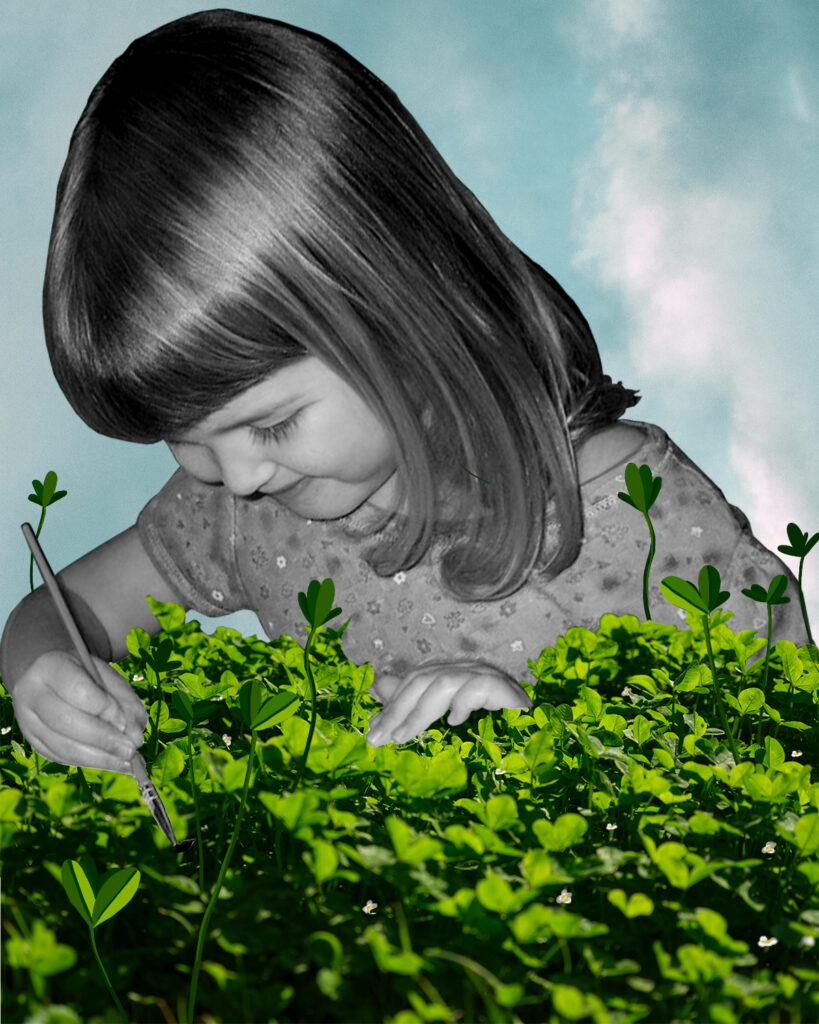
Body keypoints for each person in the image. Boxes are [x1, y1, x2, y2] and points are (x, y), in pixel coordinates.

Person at [0, 9, 808, 772]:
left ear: (403, 312)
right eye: (185, 437)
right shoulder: (239, 511)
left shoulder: (639, 520)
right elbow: (68, 609)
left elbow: (782, 751)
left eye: (272, 425)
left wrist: (542, 743)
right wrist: (45, 666)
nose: (235, 476)